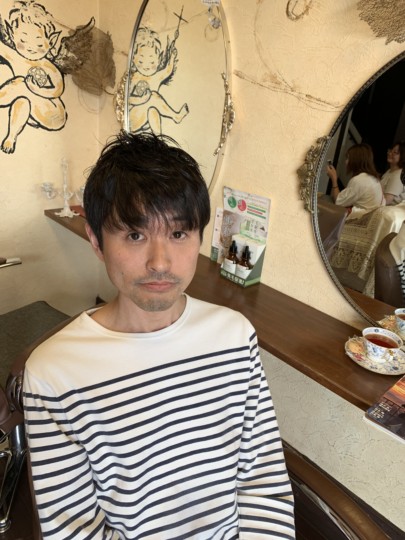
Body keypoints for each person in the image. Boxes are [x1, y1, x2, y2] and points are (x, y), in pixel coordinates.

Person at [23, 131, 295, 539]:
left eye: (178, 234)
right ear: (96, 241)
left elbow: (262, 480)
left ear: (201, 237)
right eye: (135, 235)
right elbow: (76, 530)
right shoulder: (54, 374)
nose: (160, 263)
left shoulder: (235, 337)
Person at [326, 142, 384, 220]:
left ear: (355, 160)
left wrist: (334, 178)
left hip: (358, 220)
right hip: (369, 218)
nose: (345, 162)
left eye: (348, 158)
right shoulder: (373, 178)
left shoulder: (359, 180)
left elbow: (338, 201)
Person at [380, 141, 405, 205]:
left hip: (388, 209)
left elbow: (386, 201)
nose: (390, 153)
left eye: (395, 152)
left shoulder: (398, 175)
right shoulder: (390, 171)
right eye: (390, 150)